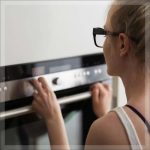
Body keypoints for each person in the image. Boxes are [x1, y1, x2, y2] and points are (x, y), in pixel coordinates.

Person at [31, 0, 150, 150]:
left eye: (105, 33)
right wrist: (109, 117)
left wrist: (53, 118)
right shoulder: (113, 129)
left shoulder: (105, 131)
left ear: (122, 44)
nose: (104, 42)